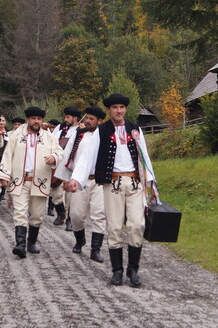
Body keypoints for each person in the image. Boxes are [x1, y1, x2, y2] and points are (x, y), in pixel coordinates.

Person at [67, 93, 156, 287]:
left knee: (137, 225)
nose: (119, 110)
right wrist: (76, 178)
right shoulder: (102, 130)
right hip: (113, 184)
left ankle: (133, 270)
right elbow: (88, 156)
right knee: (115, 227)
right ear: (109, 110)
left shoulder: (134, 128)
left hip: (134, 183)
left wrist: (151, 181)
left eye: (122, 107)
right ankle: (117, 271)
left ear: (125, 109)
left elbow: (144, 156)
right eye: (115, 107)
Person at [0, 107, 64, 258]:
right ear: (28, 119)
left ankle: (32, 242)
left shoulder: (49, 137)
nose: (36, 121)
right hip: (20, 180)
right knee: (20, 212)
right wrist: (4, 174)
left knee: (37, 215)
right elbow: (8, 155)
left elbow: (60, 152)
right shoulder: (16, 135)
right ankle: (20, 244)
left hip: (39, 180)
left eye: (39, 119)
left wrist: (54, 157)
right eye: (33, 118)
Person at [58, 106, 107, 262]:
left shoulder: (106, 135)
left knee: (99, 214)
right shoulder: (79, 135)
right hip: (79, 179)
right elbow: (67, 157)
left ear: (100, 121)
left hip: (100, 181)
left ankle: (95, 249)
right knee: (76, 215)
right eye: (87, 117)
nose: (87, 121)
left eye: (91, 119)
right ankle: (80, 240)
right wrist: (65, 179)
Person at [50, 107, 81, 230]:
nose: (65, 119)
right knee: (55, 193)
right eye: (66, 117)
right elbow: (52, 141)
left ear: (75, 118)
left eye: (68, 117)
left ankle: (69, 219)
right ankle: (61, 213)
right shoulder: (60, 128)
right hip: (58, 163)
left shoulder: (81, 130)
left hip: (72, 164)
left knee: (70, 195)